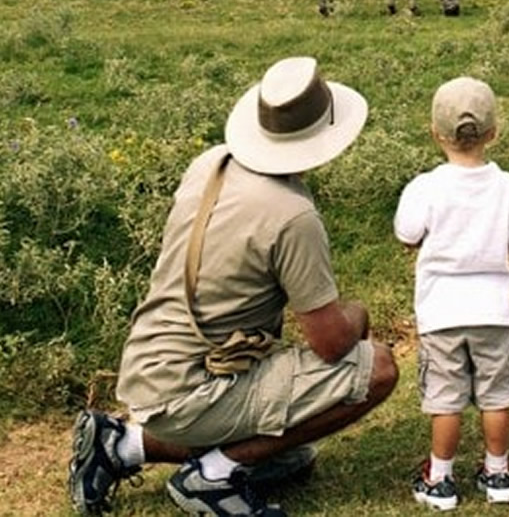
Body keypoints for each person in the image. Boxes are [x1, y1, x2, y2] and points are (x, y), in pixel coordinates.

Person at [68, 56, 399, 516]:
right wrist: (358, 314)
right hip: (197, 383)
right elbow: (330, 343)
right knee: (377, 366)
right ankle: (214, 475)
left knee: (288, 455)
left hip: (150, 369)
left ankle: (122, 444)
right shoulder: (292, 214)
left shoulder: (211, 162)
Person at [394, 77, 509, 510]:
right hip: (493, 310)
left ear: (435, 133)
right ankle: (497, 473)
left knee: (445, 398)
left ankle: (440, 479)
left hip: (441, 312)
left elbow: (407, 234)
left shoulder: (425, 187)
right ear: (494, 132)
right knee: (496, 394)